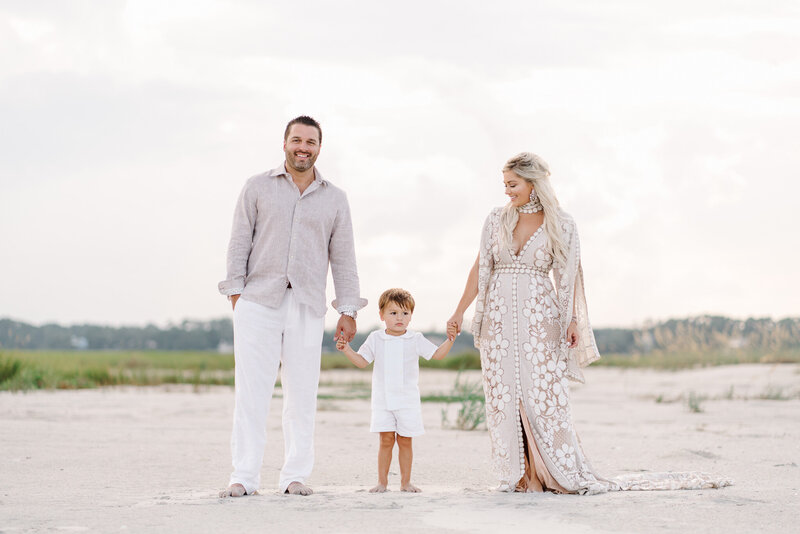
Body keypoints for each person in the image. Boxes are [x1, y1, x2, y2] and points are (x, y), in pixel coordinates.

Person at [447, 152, 731, 494]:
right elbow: (480, 269)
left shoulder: (562, 224)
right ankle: (523, 476)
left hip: (541, 318)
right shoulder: (496, 220)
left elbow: (568, 278)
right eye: (505, 185)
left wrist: (572, 322)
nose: (507, 191)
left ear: (533, 183)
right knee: (504, 395)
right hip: (499, 318)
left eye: (513, 185)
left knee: (543, 394)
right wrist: (460, 310)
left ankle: (551, 473)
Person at [217, 116, 367, 497]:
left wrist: (348, 310)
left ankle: (294, 476)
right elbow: (238, 243)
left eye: (311, 142)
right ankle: (243, 477)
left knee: (302, 394)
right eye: (297, 140)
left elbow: (344, 258)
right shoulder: (256, 187)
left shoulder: (335, 198)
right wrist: (237, 295)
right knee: (251, 394)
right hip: (257, 301)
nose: (304, 147)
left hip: (307, 305)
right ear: (284, 143)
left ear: (320, 147)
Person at [336, 288, 455, 493]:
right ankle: (382, 482)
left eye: (404, 313)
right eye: (393, 313)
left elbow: (437, 355)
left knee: (405, 441)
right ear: (382, 315)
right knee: (386, 440)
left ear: (410, 316)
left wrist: (450, 339)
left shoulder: (415, 338)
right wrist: (347, 349)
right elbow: (362, 362)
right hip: (383, 401)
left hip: (408, 401)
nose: (399, 318)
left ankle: (405, 482)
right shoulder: (375, 338)